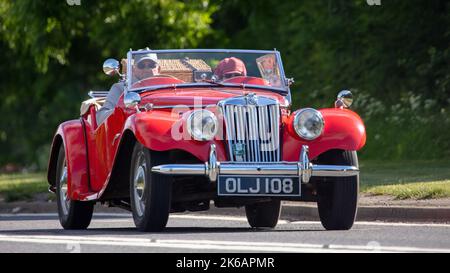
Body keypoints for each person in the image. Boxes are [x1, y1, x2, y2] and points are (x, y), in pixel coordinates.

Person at [96, 49, 160, 125]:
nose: (146, 69)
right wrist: (124, 109)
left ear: (158, 69)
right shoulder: (121, 88)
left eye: (151, 65)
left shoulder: (169, 87)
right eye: (141, 66)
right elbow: (100, 117)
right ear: (133, 69)